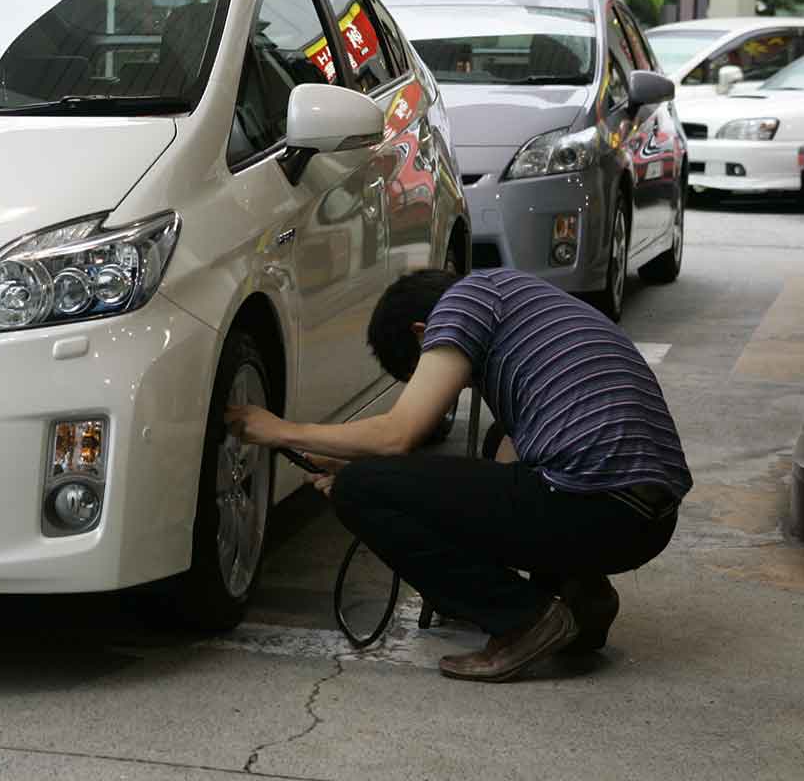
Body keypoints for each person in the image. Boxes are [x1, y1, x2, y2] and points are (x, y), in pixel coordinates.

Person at [227, 268, 691, 683]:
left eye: (422, 368)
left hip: (593, 502)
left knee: (359, 490)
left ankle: (524, 620)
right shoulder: (515, 296)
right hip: (646, 520)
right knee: (491, 447)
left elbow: (398, 435)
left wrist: (284, 432)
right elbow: (491, 486)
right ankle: (581, 597)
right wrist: (391, 478)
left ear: (423, 333)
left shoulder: (462, 304)